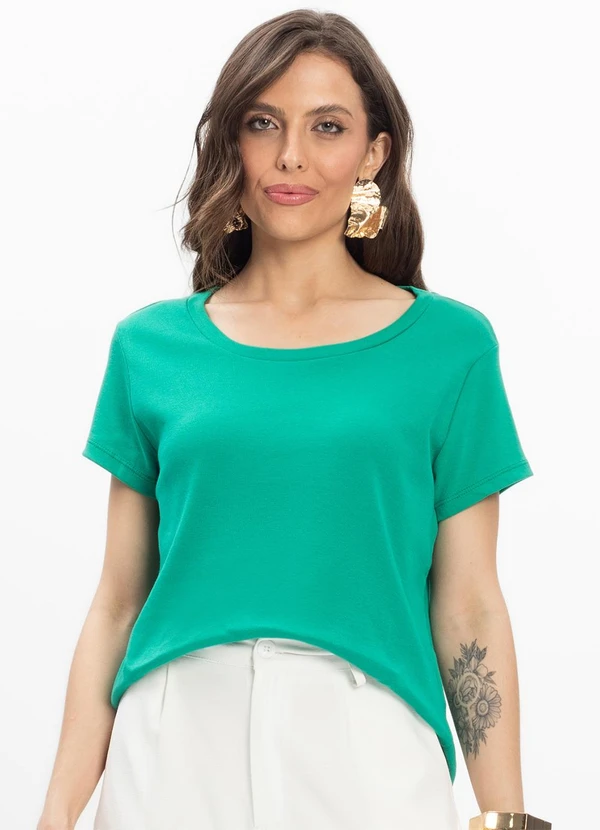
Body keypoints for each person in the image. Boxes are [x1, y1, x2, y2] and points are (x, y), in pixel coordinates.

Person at [38, 9, 537, 830]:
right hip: (171, 748)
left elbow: (470, 604)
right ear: (232, 143)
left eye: (327, 126)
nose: (291, 155)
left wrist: (506, 816)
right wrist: (58, 811)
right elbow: (118, 603)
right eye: (263, 123)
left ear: (374, 153)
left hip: (370, 747)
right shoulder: (150, 347)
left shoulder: (448, 348)